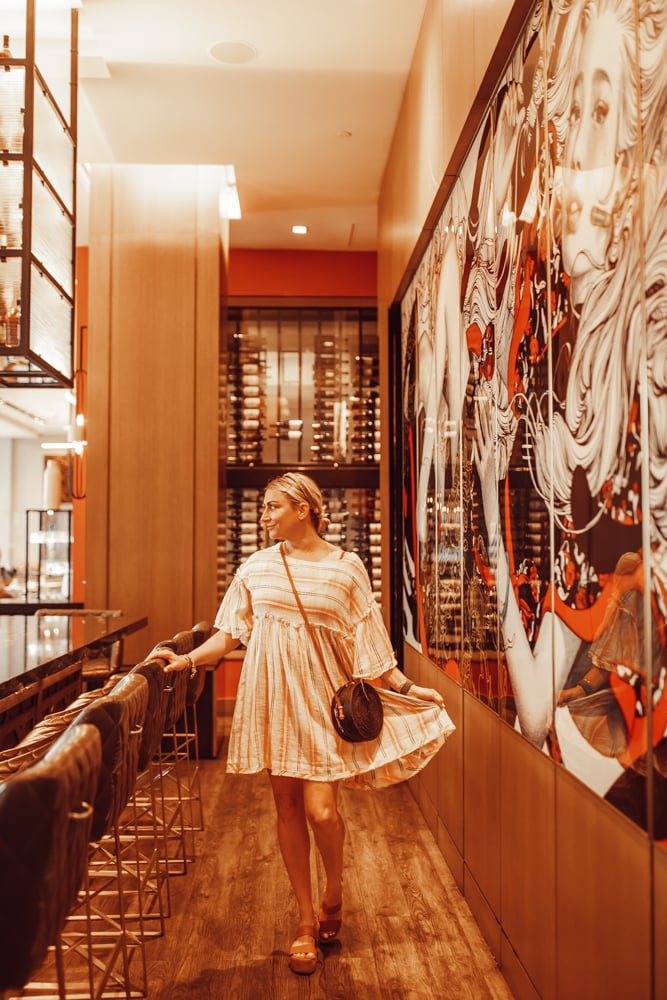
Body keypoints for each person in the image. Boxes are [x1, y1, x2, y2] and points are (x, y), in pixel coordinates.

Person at [158, 471, 455, 975]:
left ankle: (334, 890)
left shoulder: (347, 568)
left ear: (304, 508)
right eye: (264, 507)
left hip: (322, 704)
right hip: (273, 701)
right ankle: (303, 920)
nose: (264, 514)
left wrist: (407, 689)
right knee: (287, 805)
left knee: (321, 810)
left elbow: (371, 646)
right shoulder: (256, 566)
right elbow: (228, 634)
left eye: (273, 506)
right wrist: (185, 662)